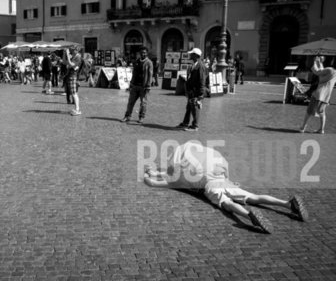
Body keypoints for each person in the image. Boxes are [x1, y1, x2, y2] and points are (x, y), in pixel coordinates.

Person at [144, 141, 308, 234]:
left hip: (210, 186)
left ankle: (248, 214)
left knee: (227, 204)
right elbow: (168, 172)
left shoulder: (183, 178)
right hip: (222, 178)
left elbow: (159, 181)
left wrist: (147, 177)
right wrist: (155, 171)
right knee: (253, 197)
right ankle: (287, 203)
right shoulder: (205, 154)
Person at [300, 55, 336, 134]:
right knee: (322, 112)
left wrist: (315, 61)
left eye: (333, 59)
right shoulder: (333, 71)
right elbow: (322, 71)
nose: (332, 60)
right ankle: (321, 129)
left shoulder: (330, 69)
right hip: (326, 95)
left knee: (309, 111)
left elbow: (317, 72)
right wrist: (319, 62)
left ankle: (303, 127)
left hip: (319, 93)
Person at [120, 46, 153, 124]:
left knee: (143, 103)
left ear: (147, 53)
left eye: (144, 52)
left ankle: (141, 117)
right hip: (135, 85)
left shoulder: (149, 62)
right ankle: (127, 116)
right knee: (130, 102)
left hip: (143, 86)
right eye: (142, 52)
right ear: (139, 53)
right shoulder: (137, 61)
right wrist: (131, 84)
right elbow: (134, 73)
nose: (143, 54)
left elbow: (150, 74)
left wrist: (148, 85)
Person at [176, 48, 207, 131]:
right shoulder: (194, 64)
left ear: (196, 56)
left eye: (192, 54)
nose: (190, 55)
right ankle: (185, 123)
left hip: (196, 91)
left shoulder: (200, 66)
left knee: (195, 108)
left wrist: (201, 94)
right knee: (189, 107)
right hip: (191, 91)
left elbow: (202, 80)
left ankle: (195, 126)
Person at [64, 47, 83, 116]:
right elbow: (64, 62)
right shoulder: (74, 56)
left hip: (73, 76)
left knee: (74, 93)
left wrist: (67, 55)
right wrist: (64, 54)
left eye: (73, 50)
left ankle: (77, 109)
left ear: (76, 50)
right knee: (73, 93)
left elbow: (71, 64)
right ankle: (77, 109)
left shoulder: (78, 57)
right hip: (70, 75)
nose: (71, 51)